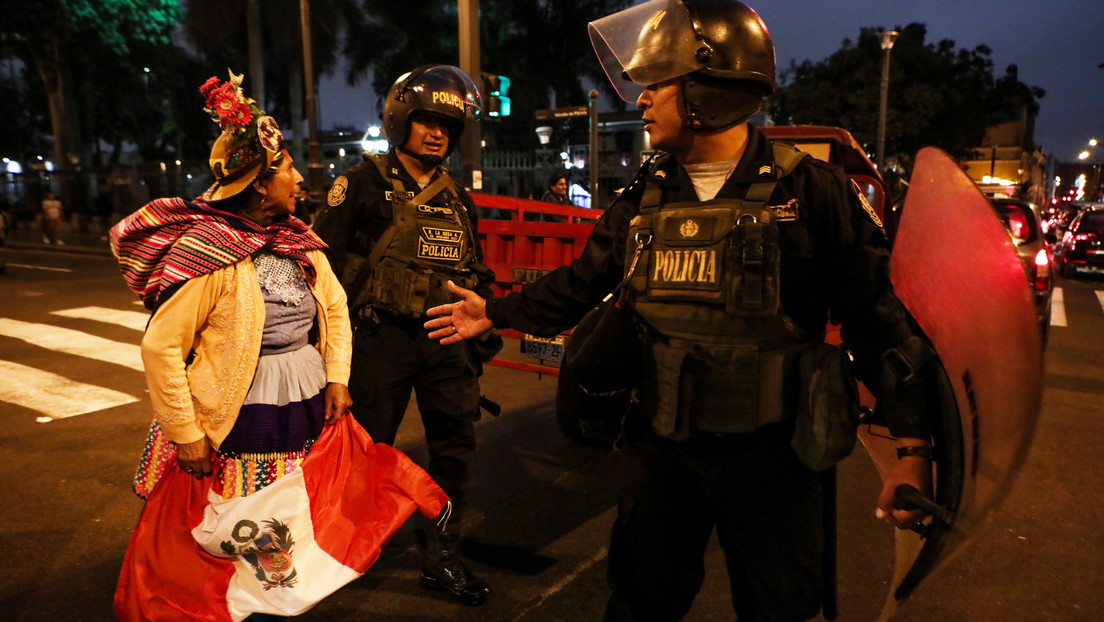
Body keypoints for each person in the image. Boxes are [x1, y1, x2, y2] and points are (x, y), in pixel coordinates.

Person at [423, 1, 944, 620]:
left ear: (706, 88)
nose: (640, 101)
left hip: (774, 458)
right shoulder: (647, 191)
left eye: (656, 84)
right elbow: (583, 281)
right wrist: (497, 313)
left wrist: (913, 445)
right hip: (662, 451)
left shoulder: (812, 191)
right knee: (640, 602)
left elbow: (877, 317)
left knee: (779, 608)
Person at [110, 71, 448, 621]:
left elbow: (334, 308)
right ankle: (230, 599)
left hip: (304, 394)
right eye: (287, 168)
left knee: (287, 508)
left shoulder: (298, 242)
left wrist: (336, 376)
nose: (298, 177)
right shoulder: (212, 252)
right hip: (237, 409)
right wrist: (186, 433)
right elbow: (160, 349)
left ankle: (274, 594)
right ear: (260, 183)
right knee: (235, 513)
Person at [311, 64, 498, 607]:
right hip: (379, 341)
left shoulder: (457, 197)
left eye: (447, 125)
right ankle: (341, 549)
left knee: (455, 451)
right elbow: (319, 266)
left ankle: (441, 554)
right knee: (366, 452)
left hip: (445, 345)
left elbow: (475, 267)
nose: (438, 132)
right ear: (401, 121)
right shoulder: (361, 182)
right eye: (426, 121)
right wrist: (327, 353)